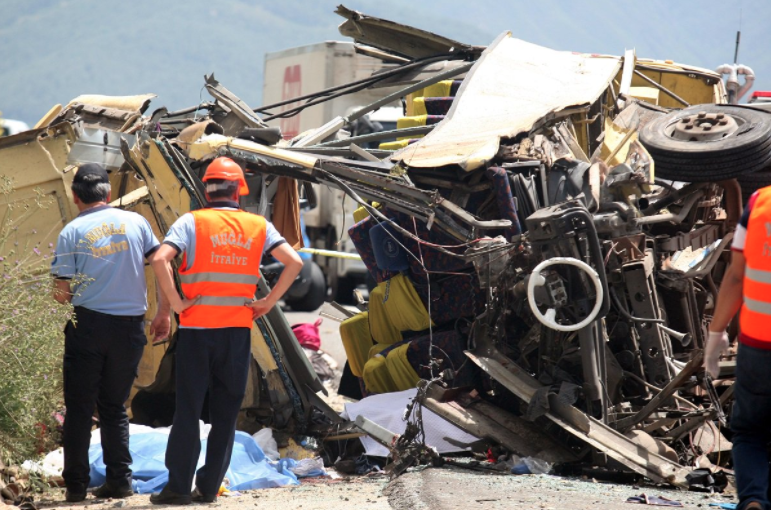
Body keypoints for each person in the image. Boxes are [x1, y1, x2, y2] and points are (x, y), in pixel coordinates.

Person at [149, 157, 302, 505]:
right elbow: (295, 262)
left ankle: (177, 488)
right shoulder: (258, 225)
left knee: (187, 410)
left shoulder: (191, 222)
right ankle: (207, 489)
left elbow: (160, 259)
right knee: (225, 414)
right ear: (239, 191)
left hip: (196, 332)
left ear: (206, 188)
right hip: (236, 333)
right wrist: (268, 302)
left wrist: (175, 304)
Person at [51, 163, 171, 503]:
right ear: (108, 193)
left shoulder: (71, 232)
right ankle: (120, 480)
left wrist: (75, 293)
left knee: (78, 407)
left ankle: (75, 487)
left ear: (76, 197)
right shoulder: (136, 223)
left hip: (88, 326)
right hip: (130, 327)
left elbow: (61, 294)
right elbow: (161, 264)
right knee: (115, 407)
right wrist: (164, 312)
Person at [706, 189, 771, 510]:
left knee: (749, 432)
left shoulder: (760, 202)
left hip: (758, 344)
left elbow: (735, 277)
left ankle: (754, 500)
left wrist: (715, 334)